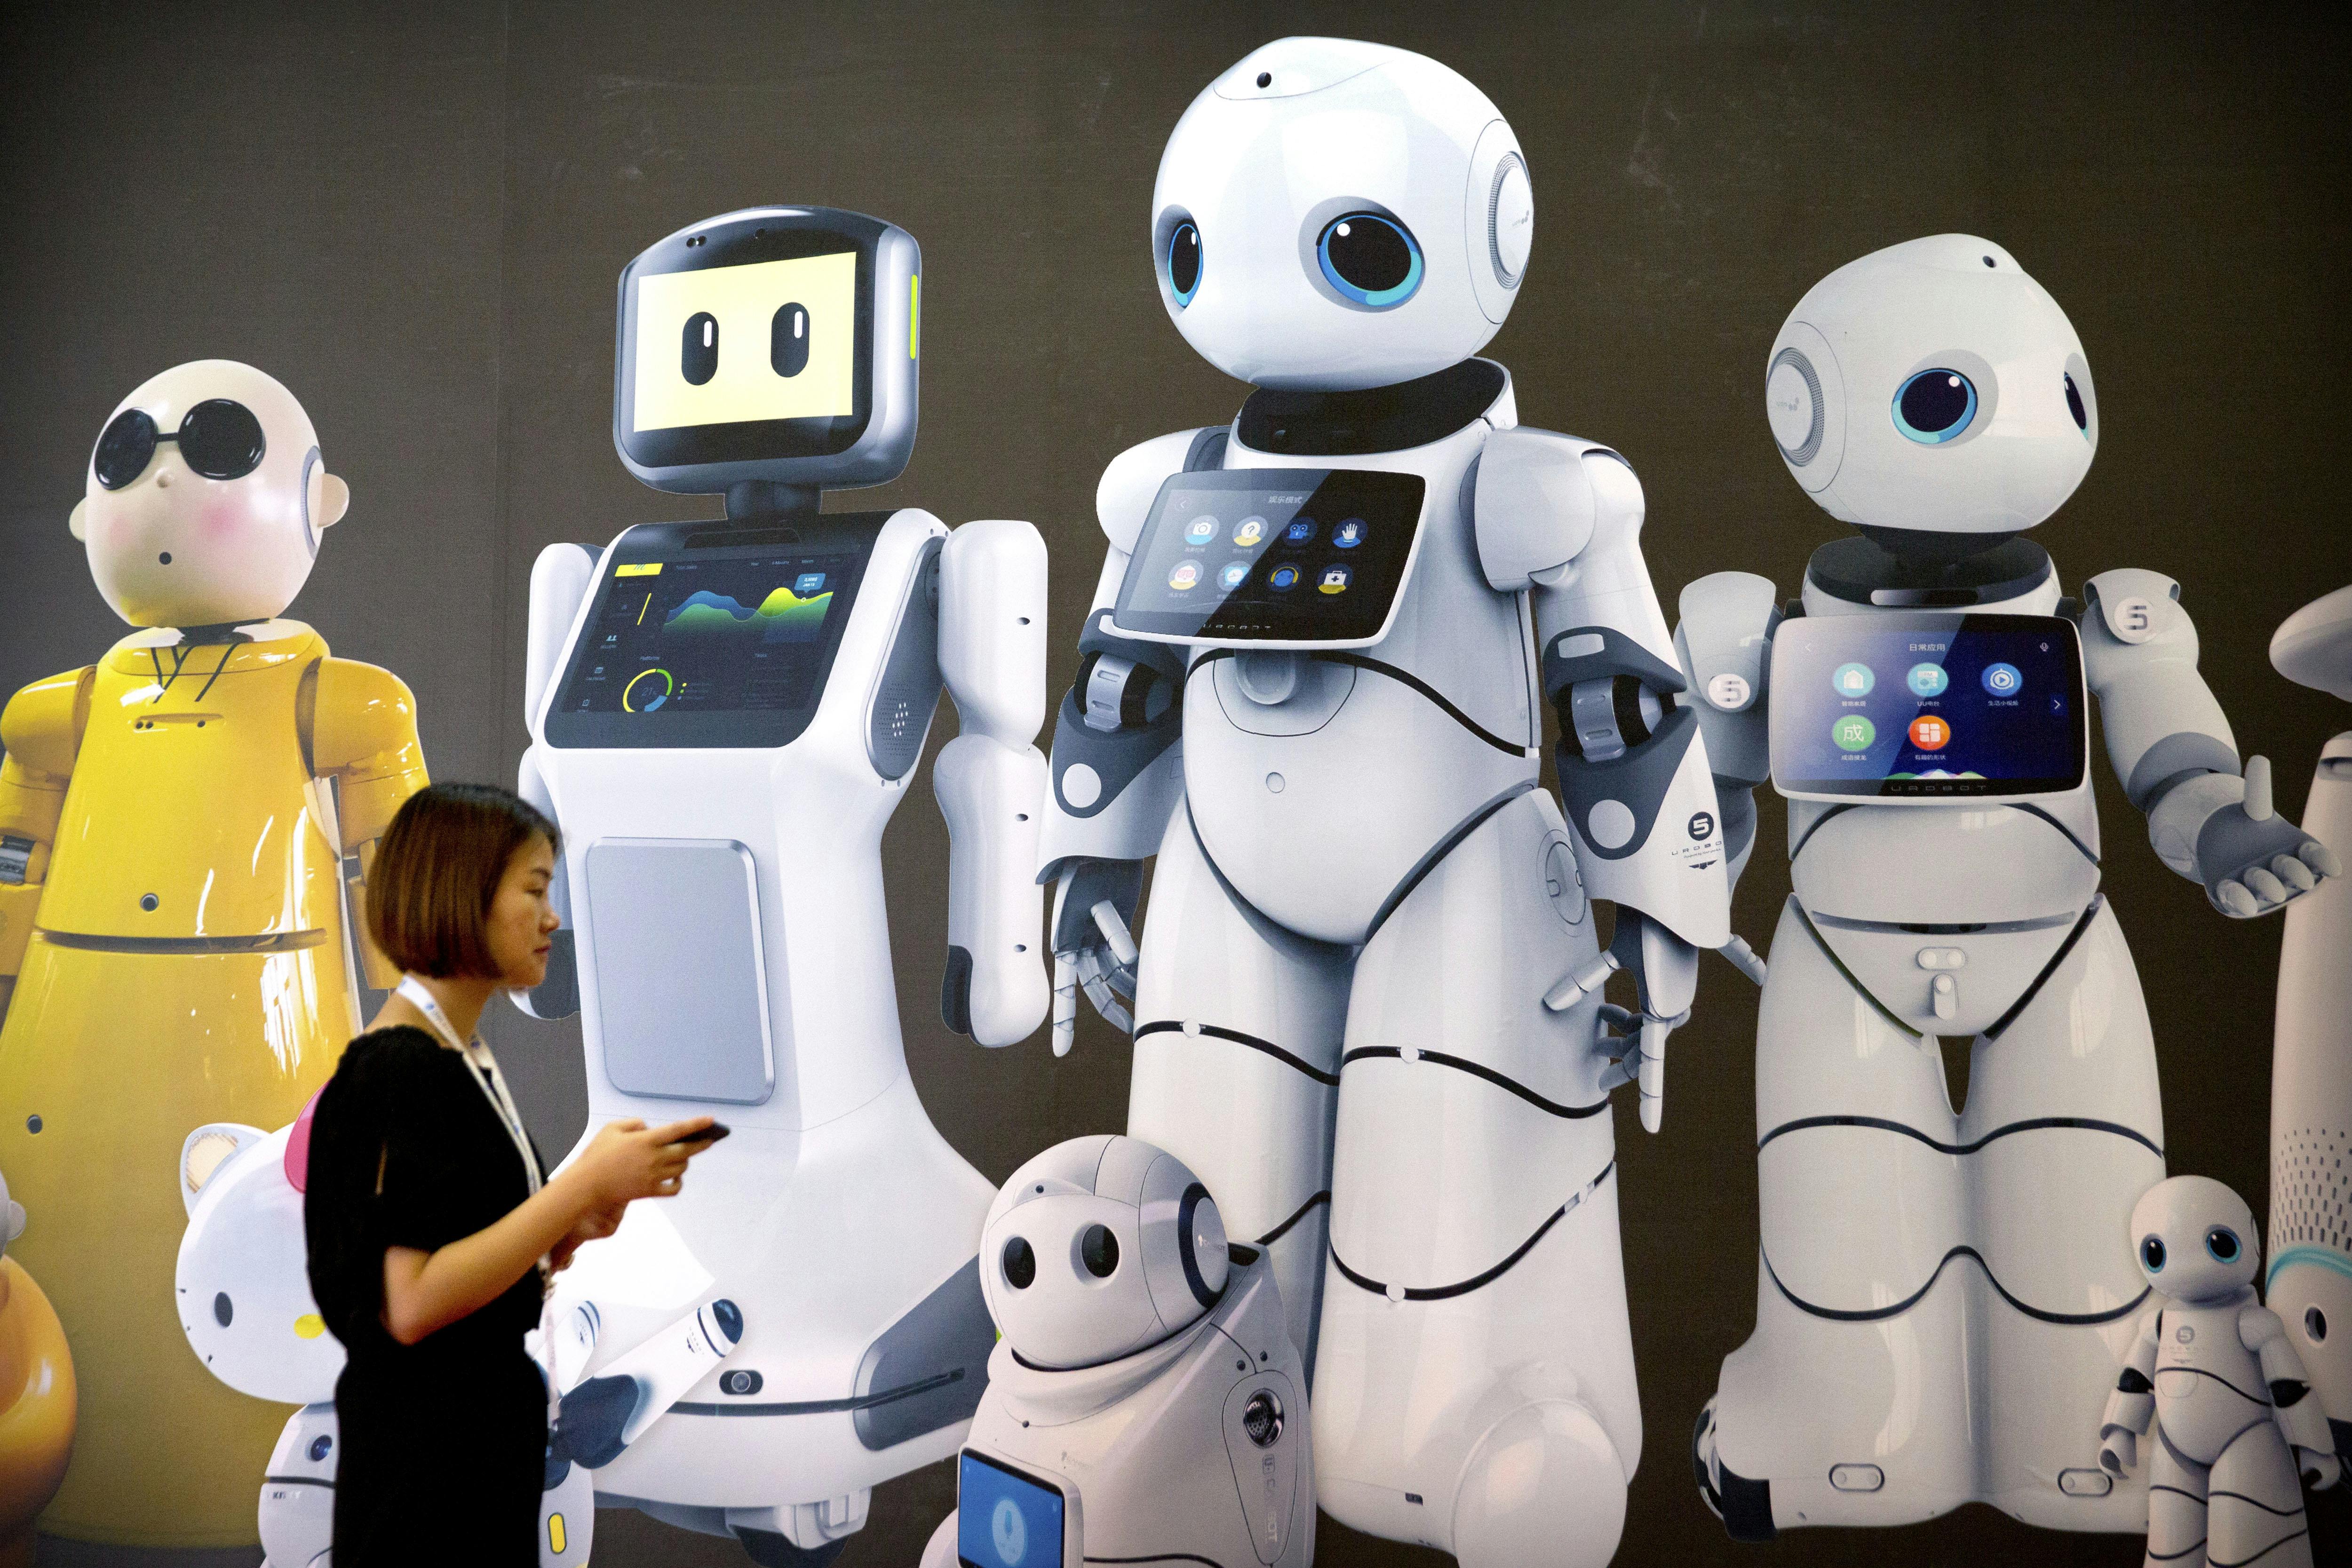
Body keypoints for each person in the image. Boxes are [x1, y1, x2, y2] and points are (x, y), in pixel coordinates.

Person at [302, 782, 716, 1563]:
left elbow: (459, 1259)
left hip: (469, 1462)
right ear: (464, 895)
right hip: (426, 1487)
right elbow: (412, 1304)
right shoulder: (399, 1069)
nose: (552, 918)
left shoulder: (455, 1057)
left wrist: (568, 1229)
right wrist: (579, 1187)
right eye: (534, 890)